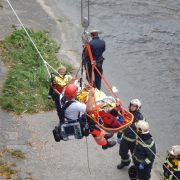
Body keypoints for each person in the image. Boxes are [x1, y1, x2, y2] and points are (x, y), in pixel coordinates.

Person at [57, 83, 116, 149]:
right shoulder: (75, 105)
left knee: (94, 123)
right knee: (94, 129)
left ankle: (104, 135)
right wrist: (90, 95)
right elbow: (89, 109)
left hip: (73, 116)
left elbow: (67, 88)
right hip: (79, 121)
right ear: (73, 95)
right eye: (76, 92)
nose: (78, 92)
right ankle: (105, 144)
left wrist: (84, 86)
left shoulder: (62, 96)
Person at [117, 99, 144, 169]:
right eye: (132, 105)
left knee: (135, 156)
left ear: (138, 108)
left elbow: (143, 129)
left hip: (135, 141)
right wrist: (119, 136)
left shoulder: (141, 117)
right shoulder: (125, 114)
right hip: (125, 138)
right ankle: (125, 162)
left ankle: (136, 167)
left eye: (134, 106)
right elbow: (121, 125)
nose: (132, 107)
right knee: (122, 153)